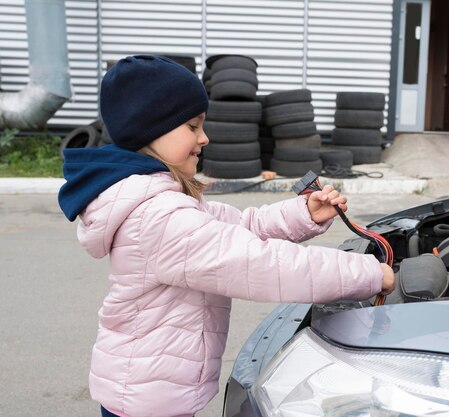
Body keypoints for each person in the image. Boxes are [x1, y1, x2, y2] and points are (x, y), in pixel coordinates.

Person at [58, 55, 395, 417]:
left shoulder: (161, 200)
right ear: (150, 130)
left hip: (151, 391)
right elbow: (257, 263)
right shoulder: (158, 216)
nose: (204, 138)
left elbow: (239, 227)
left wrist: (302, 214)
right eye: (192, 126)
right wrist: (369, 273)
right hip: (147, 403)